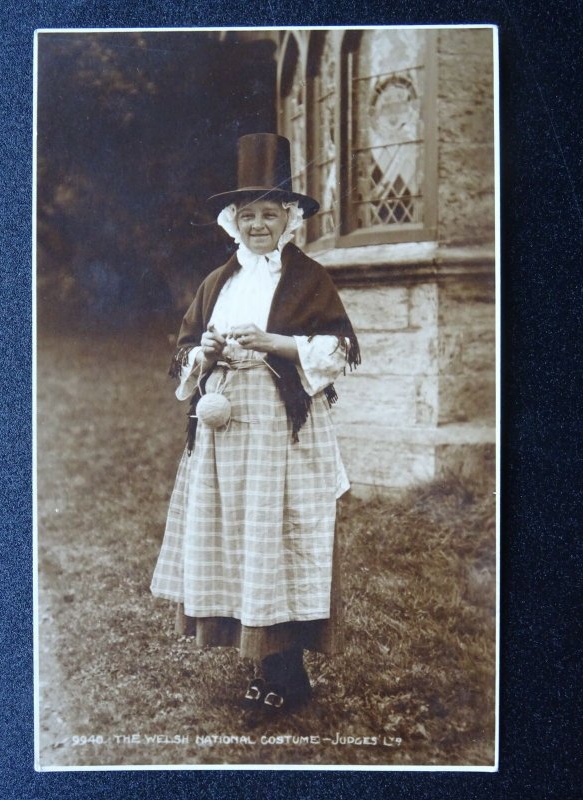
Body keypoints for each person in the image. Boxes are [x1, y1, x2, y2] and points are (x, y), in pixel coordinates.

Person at [151, 133, 360, 712]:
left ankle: (286, 673)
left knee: (276, 533)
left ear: (289, 219)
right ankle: (266, 662)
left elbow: (338, 349)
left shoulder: (307, 278)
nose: (258, 225)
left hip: (280, 428)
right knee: (238, 534)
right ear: (232, 222)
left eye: (270, 213)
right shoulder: (219, 283)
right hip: (224, 427)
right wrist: (208, 353)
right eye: (248, 216)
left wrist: (278, 343)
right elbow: (186, 349)